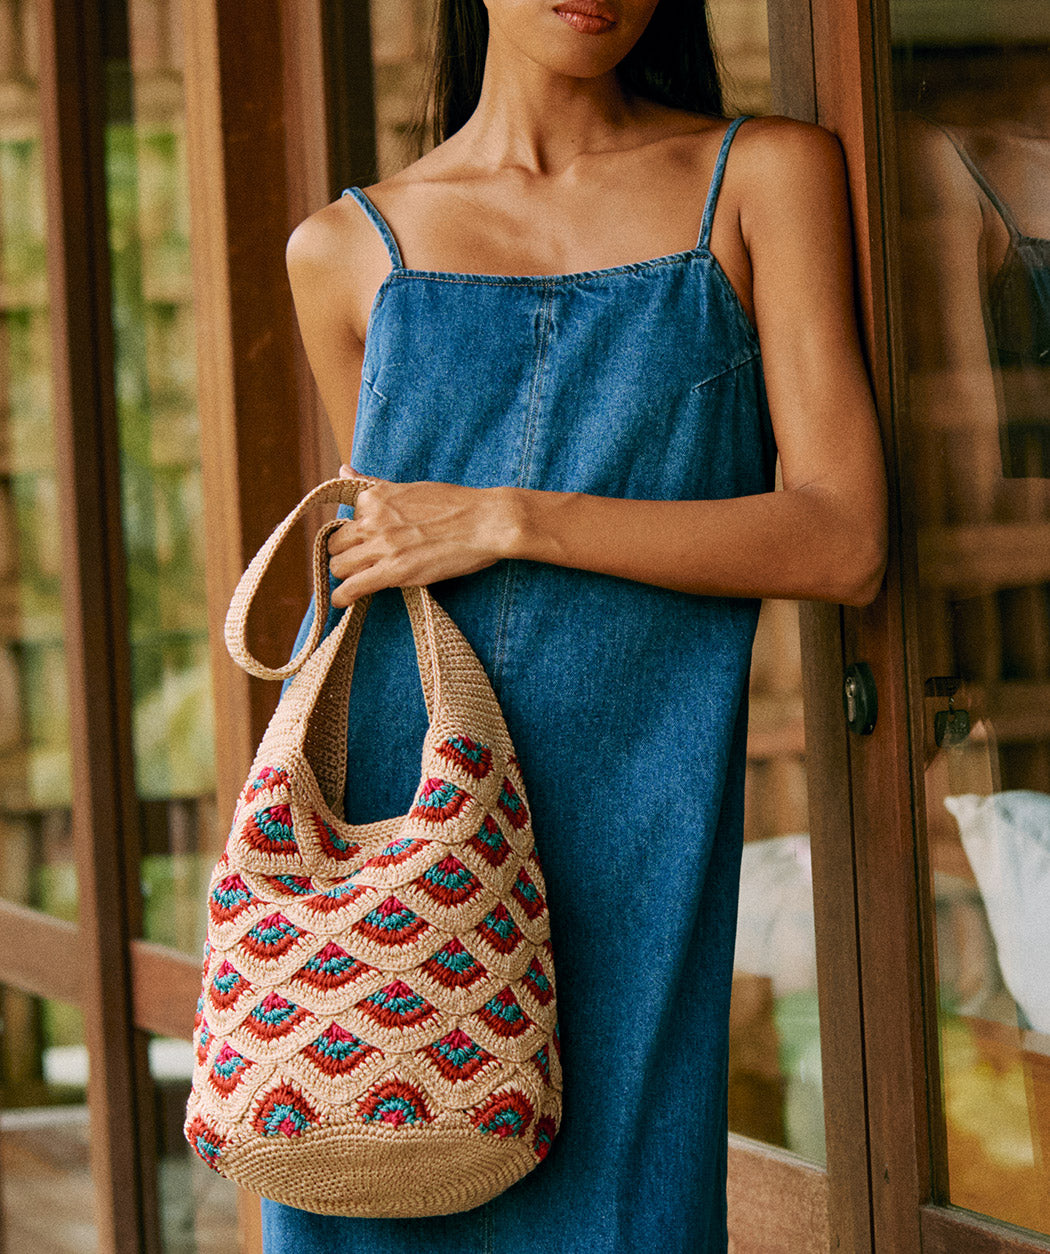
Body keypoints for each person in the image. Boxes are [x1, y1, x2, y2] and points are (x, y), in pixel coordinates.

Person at [263, 0, 887, 1249]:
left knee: (630, 1209)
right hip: (402, 835)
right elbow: (389, 561)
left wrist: (510, 518)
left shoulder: (761, 178)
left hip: (638, 823)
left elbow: (843, 539)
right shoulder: (342, 249)